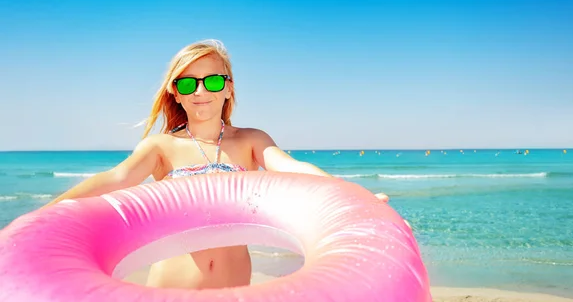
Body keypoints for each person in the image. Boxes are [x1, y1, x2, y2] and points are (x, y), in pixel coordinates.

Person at [42, 39, 390, 290]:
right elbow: (115, 178)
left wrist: (355, 197)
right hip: (172, 287)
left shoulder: (251, 140)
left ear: (228, 88)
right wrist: (49, 212)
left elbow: (293, 168)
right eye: (188, 82)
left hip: (233, 288)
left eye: (211, 80)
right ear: (175, 92)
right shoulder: (162, 146)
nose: (200, 91)